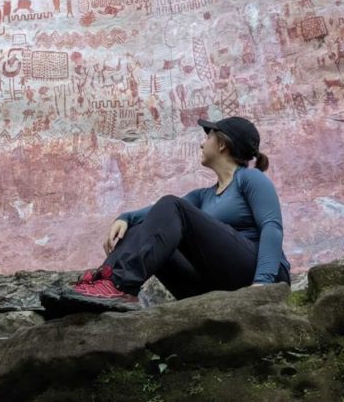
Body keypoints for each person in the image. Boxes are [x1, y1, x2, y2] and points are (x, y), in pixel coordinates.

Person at [48, 116, 292, 312]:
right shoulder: (203, 196)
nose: (201, 143)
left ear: (222, 144)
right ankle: (106, 284)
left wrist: (263, 283)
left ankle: (120, 283)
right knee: (141, 228)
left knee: (172, 205)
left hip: (259, 274)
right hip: (217, 282)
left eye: (208, 136)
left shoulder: (250, 179)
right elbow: (156, 216)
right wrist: (126, 218)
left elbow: (272, 227)